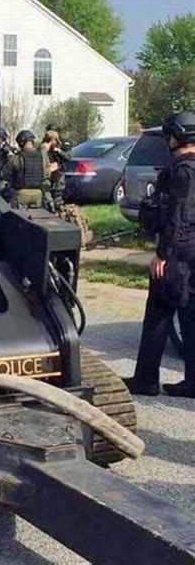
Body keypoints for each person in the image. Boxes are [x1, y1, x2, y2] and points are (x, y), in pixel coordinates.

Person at [123, 111, 195, 398]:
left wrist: (163, 255)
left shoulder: (182, 171)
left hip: (177, 254)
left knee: (158, 315)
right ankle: (192, 383)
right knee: (190, 318)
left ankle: (146, 380)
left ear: (175, 136)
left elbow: (179, 216)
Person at [2, 129, 51, 208]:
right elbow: (47, 174)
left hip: (21, 195)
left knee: (18, 219)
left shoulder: (17, 158)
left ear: (21, 143)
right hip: (38, 194)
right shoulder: (43, 157)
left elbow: (5, 174)